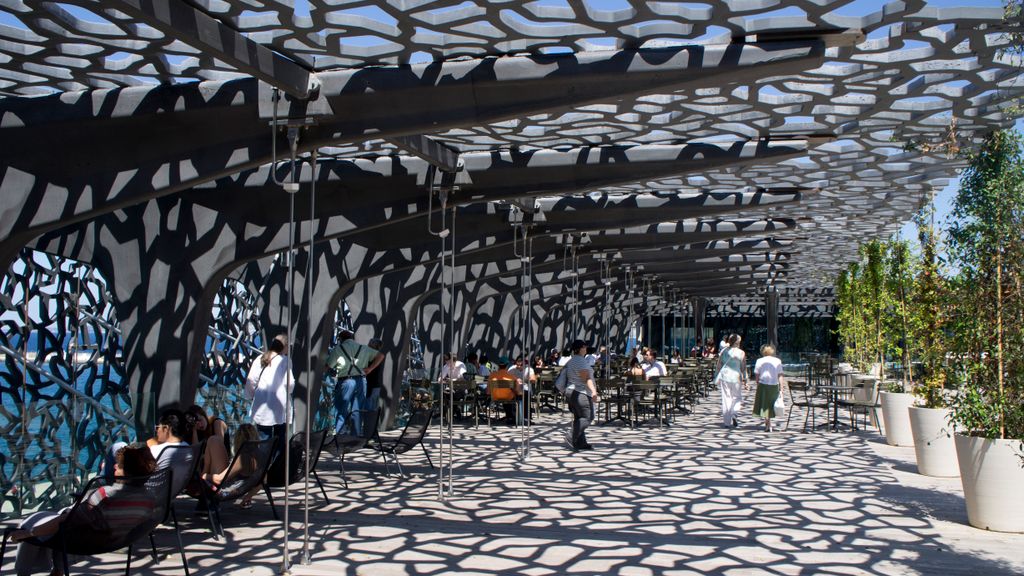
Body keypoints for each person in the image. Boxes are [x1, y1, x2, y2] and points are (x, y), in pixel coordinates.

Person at [12, 444, 157, 576]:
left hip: (81, 541)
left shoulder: (106, 495)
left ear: (127, 472)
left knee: (34, 521)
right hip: (114, 538)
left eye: (118, 466)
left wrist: (29, 533)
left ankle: (23, 572)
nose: (114, 468)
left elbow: (65, 521)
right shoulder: (149, 498)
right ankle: (58, 570)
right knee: (66, 521)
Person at [325, 329, 383, 434]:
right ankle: (355, 436)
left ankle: (340, 436)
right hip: (361, 381)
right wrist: (370, 369)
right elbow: (380, 355)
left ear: (341, 339)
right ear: (352, 338)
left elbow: (328, 366)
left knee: (341, 409)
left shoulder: (338, 349)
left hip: (346, 381)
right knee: (357, 410)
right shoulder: (363, 348)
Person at [246, 333, 295, 450]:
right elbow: (290, 383)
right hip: (280, 406)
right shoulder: (285, 360)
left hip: (262, 405)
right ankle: (278, 466)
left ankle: (264, 466)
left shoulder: (260, 358)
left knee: (263, 440)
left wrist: (252, 396)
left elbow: (251, 380)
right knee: (280, 440)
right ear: (284, 346)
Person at [204, 423, 261, 509]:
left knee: (213, 440)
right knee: (215, 440)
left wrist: (204, 475)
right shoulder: (261, 455)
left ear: (238, 439)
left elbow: (219, 480)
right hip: (240, 488)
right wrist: (248, 496)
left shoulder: (242, 457)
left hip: (224, 490)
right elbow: (263, 482)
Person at [561, 339, 600, 451]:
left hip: (571, 391)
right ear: (579, 349)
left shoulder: (572, 360)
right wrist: (593, 391)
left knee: (579, 417)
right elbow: (586, 378)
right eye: (584, 346)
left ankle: (580, 442)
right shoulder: (580, 361)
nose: (586, 348)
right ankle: (571, 436)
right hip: (580, 392)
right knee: (588, 417)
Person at [186, 404, 229, 478]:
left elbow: (218, 446)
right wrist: (194, 430)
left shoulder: (217, 423)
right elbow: (196, 451)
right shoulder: (198, 431)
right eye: (196, 424)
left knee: (213, 441)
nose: (199, 425)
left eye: (200, 420)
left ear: (204, 415)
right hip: (208, 467)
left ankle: (204, 478)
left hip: (221, 466)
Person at [715, 334, 747, 427]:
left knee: (726, 398)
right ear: (738, 342)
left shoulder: (724, 351)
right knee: (737, 397)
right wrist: (745, 379)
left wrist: (716, 376)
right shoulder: (741, 353)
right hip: (736, 377)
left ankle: (727, 422)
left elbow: (719, 365)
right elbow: (743, 367)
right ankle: (734, 413)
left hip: (725, 376)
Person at [752, 344, 786, 432]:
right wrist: (782, 388)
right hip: (774, 384)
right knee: (771, 404)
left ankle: (767, 422)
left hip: (763, 384)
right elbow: (780, 375)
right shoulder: (777, 360)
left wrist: (757, 382)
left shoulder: (759, 360)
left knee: (764, 404)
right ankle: (769, 422)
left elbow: (757, 374)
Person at [487, 357, 521, 424]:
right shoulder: (511, 377)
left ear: (498, 365)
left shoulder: (492, 375)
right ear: (507, 365)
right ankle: (514, 417)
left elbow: (488, 392)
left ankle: (509, 416)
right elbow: (518, 391)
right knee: (517, 395)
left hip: (495, 398)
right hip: (508, 398)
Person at [366, 337, 385, 410]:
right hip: (376, 386)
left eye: (370, 343)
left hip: (370, 386)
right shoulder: (378, 356)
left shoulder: (370, 356)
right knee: (372, 411)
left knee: (366, 409)